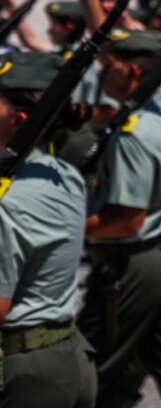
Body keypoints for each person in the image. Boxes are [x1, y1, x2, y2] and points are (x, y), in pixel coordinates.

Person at [75, 30, 161, 408]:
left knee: (85, 371)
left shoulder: (131, 135)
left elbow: (126, 220)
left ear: (134, 72)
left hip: (131, 268)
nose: (105, 73)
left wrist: (66, 229)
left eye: (113, 66)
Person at [0, 52, 97, 408]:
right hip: (65, 352)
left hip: (22, 371)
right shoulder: (61, 171)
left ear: (19, 119)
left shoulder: (7, 200)